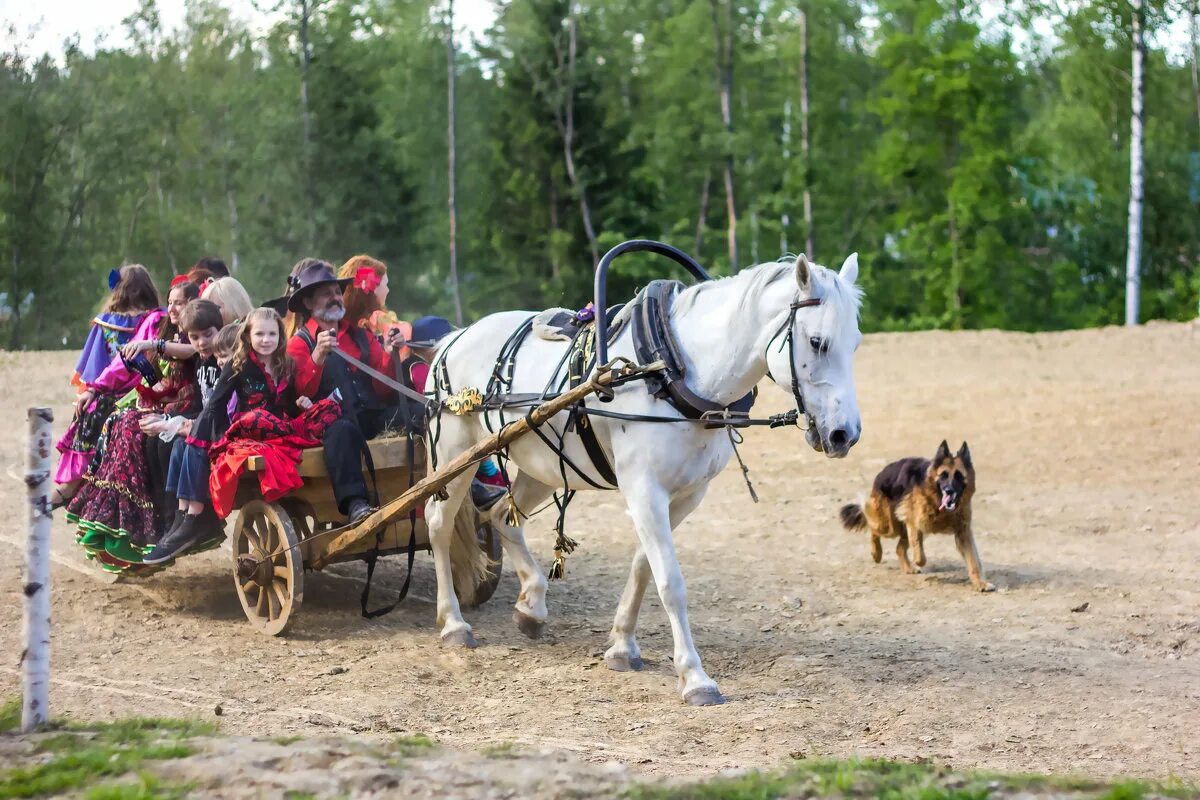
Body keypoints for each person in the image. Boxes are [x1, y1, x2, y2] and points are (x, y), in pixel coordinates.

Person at [145, 308, 339, 562]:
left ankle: (187, 519)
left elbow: (289, 401)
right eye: (259, 334)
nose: (266, 339)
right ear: (248, 335)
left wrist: (302, 403)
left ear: (281, 336)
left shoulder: (287, 365)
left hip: (279, 427)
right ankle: (185, 518)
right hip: (248, 427)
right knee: (189, 445)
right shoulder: (240, 364)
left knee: (329, 409)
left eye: (272, 333)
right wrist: (207, 438)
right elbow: (215, 404)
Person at [284, 260, 409, 523]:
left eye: (337, 292)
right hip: (331, 426)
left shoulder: (360, 336)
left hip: (372, 418)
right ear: (308, 304)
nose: (335, 298)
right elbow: (298, 394)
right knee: (341, 431)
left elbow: (382, 389)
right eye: (326, 294)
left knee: (419, 413)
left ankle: (448, 480)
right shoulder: (299, 344)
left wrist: (389, 352)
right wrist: (318, 355)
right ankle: (356, 505)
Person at [54, 265, 161, 508]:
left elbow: (97, 367)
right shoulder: (156, 319)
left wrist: (92, 389)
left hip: (111, 392)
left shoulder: (106, 324)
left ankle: (75, 480)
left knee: (88, 413)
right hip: (148, 390)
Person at [148, 300, 226, 563]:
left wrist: (187, 424)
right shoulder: (202, 363)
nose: (202, 342)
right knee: (178, 444)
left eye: (208, 334)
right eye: (195, 337)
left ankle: (194, 517)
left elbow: (220, 407)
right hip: (206, 423)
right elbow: (199, 404)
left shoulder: (222, 362)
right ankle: (179, 515)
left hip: (221, 427)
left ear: (220, 329)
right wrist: (171, 418)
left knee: (190, 443)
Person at [338, 254, 411, 354]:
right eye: (385, 284)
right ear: (373, 289)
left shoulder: (342, 322)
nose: (387, 290)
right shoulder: (359, 329)